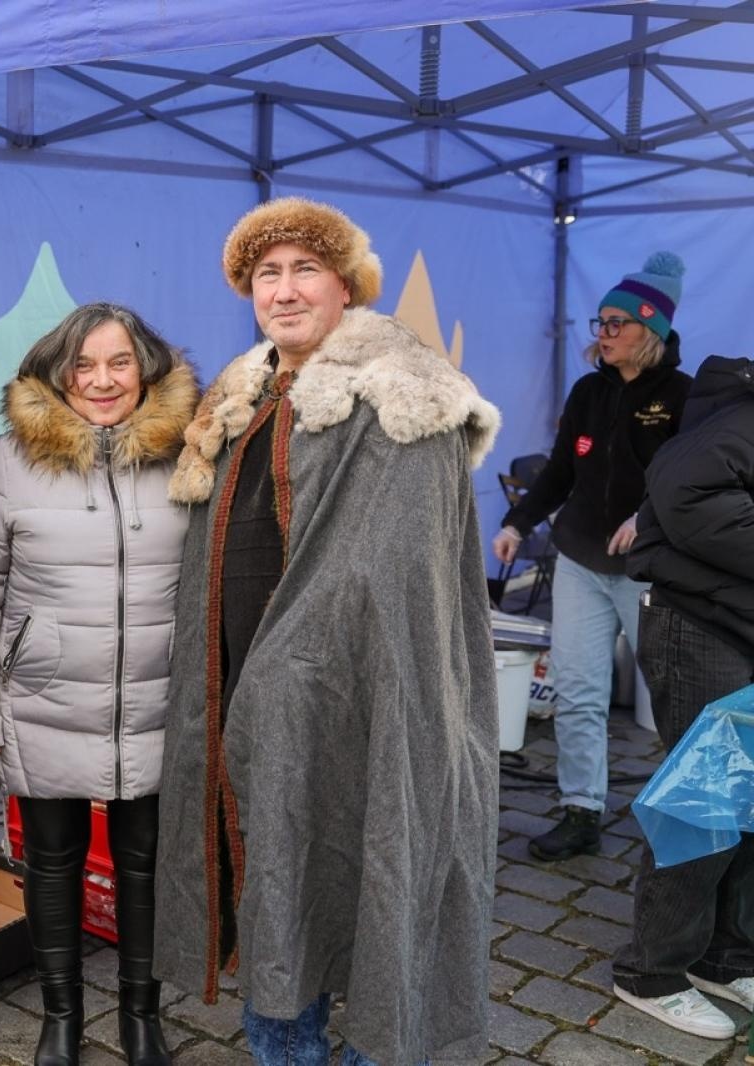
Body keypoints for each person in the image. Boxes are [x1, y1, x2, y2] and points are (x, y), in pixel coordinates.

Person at [152, 198, 501, 1065]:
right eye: (266, 274)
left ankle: (374, 1042)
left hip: (354, 684)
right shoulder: (238, 398)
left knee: (361, 841)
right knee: (273, 859)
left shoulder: (403, 395)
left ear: (347, 285)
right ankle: (287, 1042)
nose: (284, 290)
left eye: (305, 269)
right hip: (239, 675)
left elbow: (402, 572)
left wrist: (299, 661)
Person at [0, 304, 196, 1066]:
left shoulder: (188, 453)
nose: (102, 380)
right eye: (83, 365)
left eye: (119, 363)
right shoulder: (10, 463)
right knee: (51, 861)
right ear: (57, 374)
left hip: (156, 699)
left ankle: (142, 1018)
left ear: (146, 370)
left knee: (145, 861)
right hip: (43, 701)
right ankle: (61, 1018)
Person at [491, 253, 693, 862]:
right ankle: (581, 810)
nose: (603, 333)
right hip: (579, 561)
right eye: (600, 322)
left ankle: (687, 818)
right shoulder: (587, 391)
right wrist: (518, 522)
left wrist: (644, 519)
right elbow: (560, 471)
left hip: (648, 573)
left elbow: (691, 484)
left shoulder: (684, 396)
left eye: (615, 323)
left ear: (648, 327)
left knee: (672, 697)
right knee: (579, 692)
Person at [608, 353, 754, 1038]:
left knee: (746, 799)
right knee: (705, 801)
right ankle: (652, 971)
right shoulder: (740, 421)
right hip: (698, 628)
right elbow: (683, 488)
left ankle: (727, 956)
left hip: (737, 622)